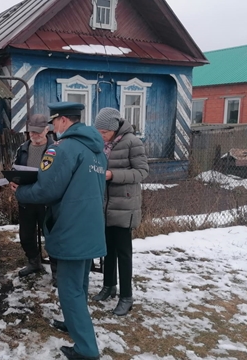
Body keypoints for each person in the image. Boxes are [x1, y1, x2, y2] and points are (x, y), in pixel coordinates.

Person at [11, 102, 107, 360]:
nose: (53, 127)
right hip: (91, 224)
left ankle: (86, 350)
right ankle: (72, 321)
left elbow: (47, 190)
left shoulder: (63, 149)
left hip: (71, 227)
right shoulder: (96, 149)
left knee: (69, 288)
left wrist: (20, 191)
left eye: (55, 122)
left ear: (64, 120)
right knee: (81, 283)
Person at [92, 107, 149, 316]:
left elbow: (142, 172)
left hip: (125, 205)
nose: (101, 135)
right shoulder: (102, 143)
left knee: (124, 253)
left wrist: (113, 175)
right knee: (107, 250)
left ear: (115, 129)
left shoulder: (133, 142)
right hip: (104, 205)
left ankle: (126, 296)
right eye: (98, 132)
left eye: (104, 132)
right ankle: (109, 286)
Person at [13, 114, 57, 280]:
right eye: (31, 132)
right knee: (25, 236)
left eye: (38, 132)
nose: (34, 135)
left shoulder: (55, 149)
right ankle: (34, 262)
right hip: (27, 199)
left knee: (51, 236)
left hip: (47, 201)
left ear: (47, 129)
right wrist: (13, 180)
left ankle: (56, 269)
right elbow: (16, 167)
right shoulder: (23, 148)